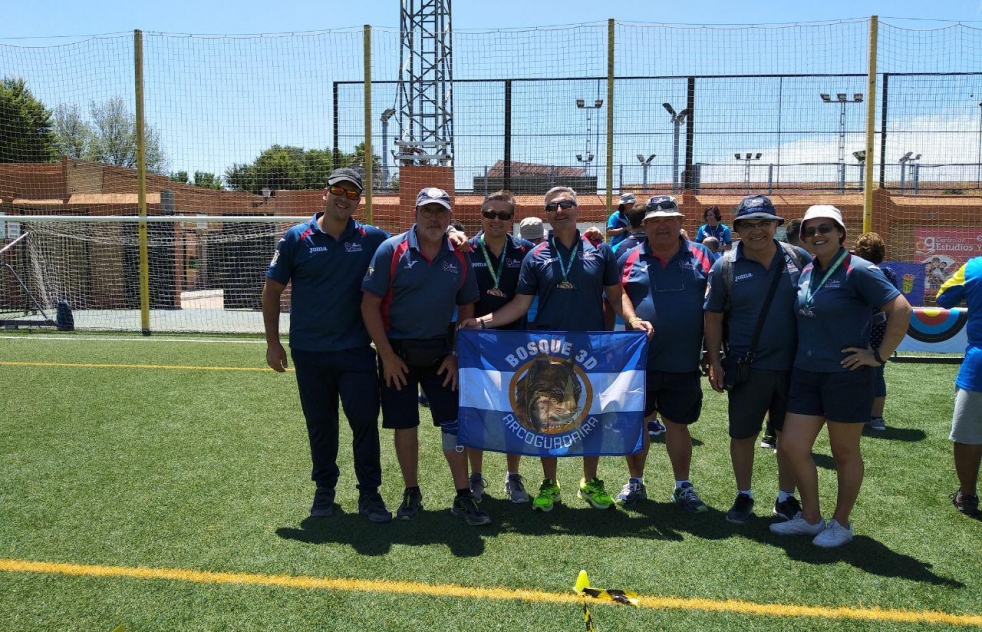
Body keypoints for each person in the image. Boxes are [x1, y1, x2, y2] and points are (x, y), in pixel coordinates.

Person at [460, 186, 653, 513]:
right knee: (548, 416)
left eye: (565, 205)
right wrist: (482, 322)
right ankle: (549, 483)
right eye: (552, 207)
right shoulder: (535, 257)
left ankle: (589, 481)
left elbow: (616, 294)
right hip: (548, 349)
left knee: (591, 414)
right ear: (546, 214)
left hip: (590, 346)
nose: (559, 211)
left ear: (577, 209)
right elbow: (520, 305)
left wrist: (633, 319)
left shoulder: (599, 251)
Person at [771, 205, 911, 548]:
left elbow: (901, 309)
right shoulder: (807, 271)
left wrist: (877, 356)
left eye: (825, 229)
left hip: (846, 376)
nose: (817, 235)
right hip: (806, 373)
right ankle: (811, 518)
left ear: (840, 234)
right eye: (811, 230)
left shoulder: (859, 269)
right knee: (790, 446)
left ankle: (842, 524)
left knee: (844, 452)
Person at [262, 167, 392, 523]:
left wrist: (456, 235)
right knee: (321, 424)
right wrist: (273, 343)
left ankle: (369, 493)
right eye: (339, 190)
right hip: (310, 352)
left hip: (355, 352)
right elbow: (272, 291)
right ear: (325, 193)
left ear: (359, 202)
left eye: (352, 194)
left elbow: (410, 244)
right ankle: (325, 490)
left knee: (364, 422)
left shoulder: (371, 238)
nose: (344, 198)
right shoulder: (295, 238)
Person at [361, 186, 491, 526]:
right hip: (397, 354)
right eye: (427, 211)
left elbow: (467, 307)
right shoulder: (391, 250)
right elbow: (369, 305)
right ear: (415, 214)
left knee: (452, 426)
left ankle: (463, 496)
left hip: (441, 353)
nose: (433, 217)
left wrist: (455, 354)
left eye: (440, 211)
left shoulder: (460, 254)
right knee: (405, 425)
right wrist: (386, 355)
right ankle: (411, 491)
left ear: (450, 217)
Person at [703, 195, 811, 525]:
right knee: (743, 434)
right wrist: (715, 360)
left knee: (788, 438)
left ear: (777, 225)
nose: (757, 231)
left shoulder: (799, 257)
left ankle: (785, 498)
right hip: (747, 367)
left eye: (764, 223)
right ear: (736, 230)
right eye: (748, 225)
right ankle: (743, 495)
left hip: (795, 367)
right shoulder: (726, 266)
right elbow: (713, 317)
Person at [614, 195, 714, 511]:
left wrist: (713, 351)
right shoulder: (626, 257)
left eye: (669, 219)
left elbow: (718, 308)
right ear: (644, 226)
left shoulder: (704, 256)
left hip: (683, 361)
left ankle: (682, 486)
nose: (663, 226)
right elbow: (616, 297)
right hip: (637, 360)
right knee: (637, 422)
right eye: (655, 220)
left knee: (677, 424)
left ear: (681, 222)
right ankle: (635, 483)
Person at [465, 190, 535, 504]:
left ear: (512, 219)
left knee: (516, 412)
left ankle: (513, 475)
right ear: (481, 216)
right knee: (476, 412)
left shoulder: (526, 251)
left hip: (517, 346)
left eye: (503, 215)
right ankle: (476, 476)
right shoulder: (464, 249)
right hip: (475, 348)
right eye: (489, 214)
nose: (495, 220)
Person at [936, 256, 982, 517]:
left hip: (979, 364)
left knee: (968, 434)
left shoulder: (974, 267)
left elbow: (944, 299)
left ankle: (967, 494)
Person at [854, 232, 899, 431]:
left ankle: (859, 415)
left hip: (862, 328)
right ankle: (876, 418)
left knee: (855, 372)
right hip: (882, 329)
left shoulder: (857, 271)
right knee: (878, 373)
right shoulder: (888, 272)